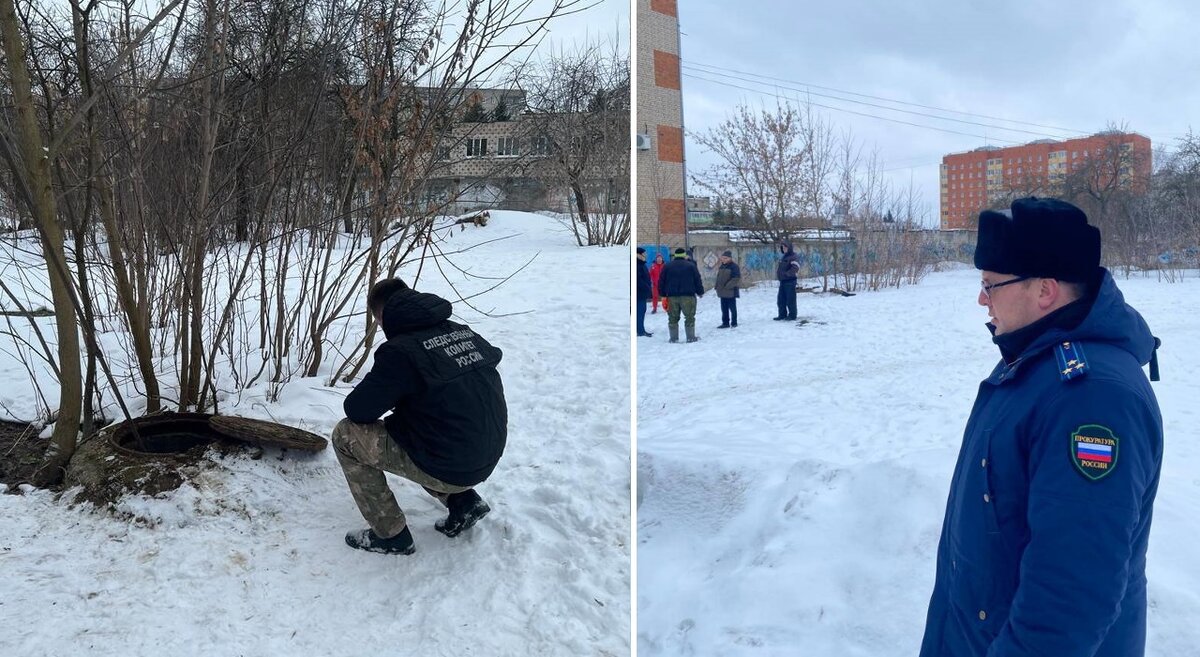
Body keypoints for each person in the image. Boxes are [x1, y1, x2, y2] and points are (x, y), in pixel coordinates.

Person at [919, 197, 1163, 657]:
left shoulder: (1092, 399)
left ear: (1045, 291)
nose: (981, 298)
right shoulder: (1034, 363)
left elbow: (1071, 591)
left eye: (991, 285)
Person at [333, 278, 507, 555]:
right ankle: (464, 503)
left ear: (380, 315)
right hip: (487, 453)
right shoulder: (461, 332)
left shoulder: (401, 352)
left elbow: (357, 410)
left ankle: (390, 535)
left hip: (452, 463)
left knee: (346, 435)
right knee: (428, 425)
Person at [657, 247, 704, 343]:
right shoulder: (691, 266)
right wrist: (700, 292)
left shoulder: (667, 266)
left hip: (671, 297)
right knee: (689, 317)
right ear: (684, 255)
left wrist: (662, 294)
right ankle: (690, 337)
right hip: (688, 296)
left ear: (675, 255)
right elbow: (697, 280)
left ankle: (673, 338)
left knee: (672, 318)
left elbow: (661, 281)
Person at [714, 250, 741, 328]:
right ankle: (725, 323)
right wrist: (717, 286)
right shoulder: (722, 266)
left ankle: (734, 322)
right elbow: (718, 277)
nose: (723, 259)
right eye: (722, 258)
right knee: (724, 308)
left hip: (730, 291)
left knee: (732, 308)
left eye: (725, 258)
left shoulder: (734, 266)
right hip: (722, 291)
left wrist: (727, 286)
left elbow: (736, 278)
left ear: (730, 258)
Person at [774, 240, 800, 320]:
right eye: (782, 247)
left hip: (790, 281)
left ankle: (792, 315)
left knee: (790, 300)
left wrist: (787, 274)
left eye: (785, 247)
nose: (784, 248)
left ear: (789, 248)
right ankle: (782, 315)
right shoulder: (784, 257)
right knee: (781, 300)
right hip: (783, 281)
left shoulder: (793, 256)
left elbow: (796, 268)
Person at [635, 247, 653, 337]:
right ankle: (640, 331)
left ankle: (641, 329)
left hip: (642, 293)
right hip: (639, 293)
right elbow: (638, 280)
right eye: (643, 254)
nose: (645, 255)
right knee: (639, 312)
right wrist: (646, 287)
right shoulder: (637, 265)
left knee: (641, 311)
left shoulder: (641, 264)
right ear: (638, 254)